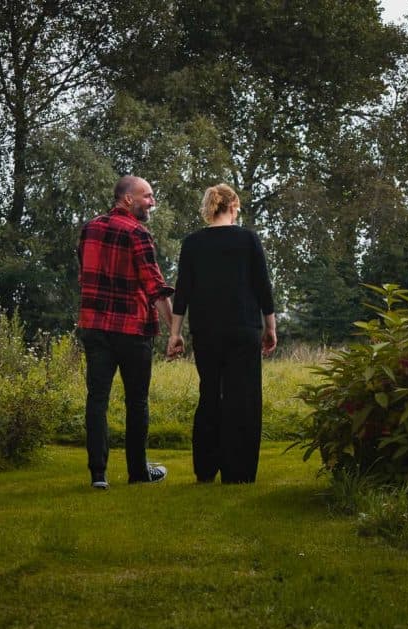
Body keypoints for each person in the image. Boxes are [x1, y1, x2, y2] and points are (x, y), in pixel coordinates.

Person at [166, 184, 276, 483]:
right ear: (234, 206)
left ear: (209, 208)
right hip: (243, 328)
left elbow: (183, 293)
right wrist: (271, 327)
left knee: (210, 394)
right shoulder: (248, 239)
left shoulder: (192, 243)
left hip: (206, 330)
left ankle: (206, 467)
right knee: (243, 398)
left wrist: (175, 334)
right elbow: (262, 286)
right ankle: (237, 471)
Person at [77, 175, 174, 490]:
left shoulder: (89, 229)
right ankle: (138, 471)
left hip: (94, 327)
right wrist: (175, 330)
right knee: (137, 401)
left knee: (97, 399)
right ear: (128, 199)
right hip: (131, 329)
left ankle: (98, 474)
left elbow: (85, 274)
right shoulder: (137, 233)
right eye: (148, 196)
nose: (152, 202)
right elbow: (155, 287)